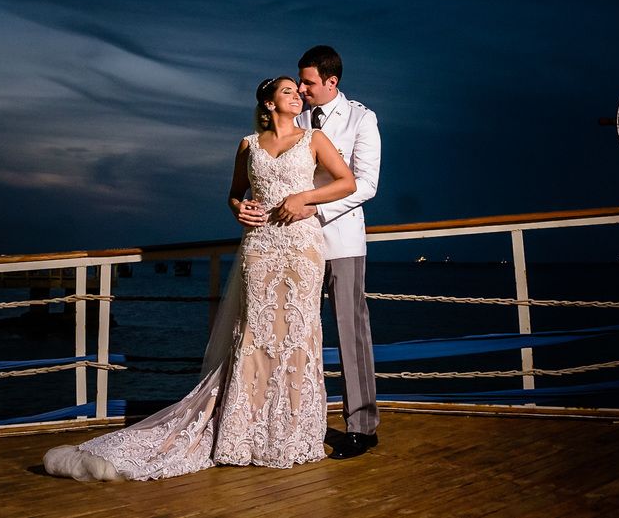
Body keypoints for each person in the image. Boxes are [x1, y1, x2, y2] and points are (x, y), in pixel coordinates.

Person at [44, 76, 356, 481]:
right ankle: (245, 433)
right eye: (287, 91)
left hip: (302, 249)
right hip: (260, 248)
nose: (297, 95)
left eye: (298, 91)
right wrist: (238, 209)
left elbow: (346, 182)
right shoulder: (248, 144)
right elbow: (234, 194)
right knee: (255, 336)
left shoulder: (314, 139)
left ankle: (292, 435)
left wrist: (304, 199)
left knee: (298, 335)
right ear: (267, 101)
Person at [294, 45, 381, 459]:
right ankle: (297, 418)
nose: (301, 89)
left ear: (332, 82)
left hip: (342, 239)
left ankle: (362, 427)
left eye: (308, 82)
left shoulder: (363, 118)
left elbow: (366, 184)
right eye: (300, 81)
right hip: (296, 242)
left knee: (350, 331)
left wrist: (316, 206)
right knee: (296, 330)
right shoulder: (294, 118)